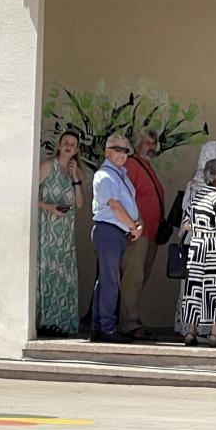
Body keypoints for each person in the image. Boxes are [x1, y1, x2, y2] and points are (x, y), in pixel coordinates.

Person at [174, 141, 216, 341]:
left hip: (196, 248)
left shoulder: (194, 189)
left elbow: (185, 223)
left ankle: (190, 331)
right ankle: (214, 333)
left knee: (194, 289)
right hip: (215, 249)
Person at [91, 133, 142, 343]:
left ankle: (98, 327)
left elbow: (127, 205)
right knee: (110, 282)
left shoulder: (120, 174)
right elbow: (115, 206)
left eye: (125, 150)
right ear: (107, 151)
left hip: (118, 233)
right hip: (109, 231)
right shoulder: (105, 175)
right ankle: (108, 329)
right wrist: (133, 225)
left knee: (106, 281)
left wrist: (136, 224)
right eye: (117, 149)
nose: (122, 154)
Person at [36, 130, 85, 337]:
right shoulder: (48, 166)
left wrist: (75, 178)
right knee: (46, 273)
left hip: (64, 235)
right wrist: (50, 207)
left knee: (63, 276)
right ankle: (44, 321)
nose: (68, 146)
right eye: (65, 142)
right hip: (47, 230)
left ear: (76, 150)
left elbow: (80, 203)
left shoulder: (76, 171)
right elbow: (29, 194)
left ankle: (60, 322)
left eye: (72, 144)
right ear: (59, 145)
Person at [120, 128, 163, 340]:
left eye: (153, 144)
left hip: (151, 234)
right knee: (133, 277)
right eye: (147, 143)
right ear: (137, 145)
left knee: (140, 278)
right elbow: (125, 196)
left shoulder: (147, 167)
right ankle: (128, 323)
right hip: (137, 233)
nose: (151, 147)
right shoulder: (131, 165)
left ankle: (132, 319)